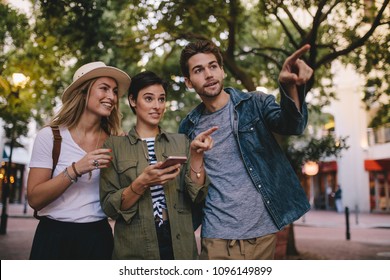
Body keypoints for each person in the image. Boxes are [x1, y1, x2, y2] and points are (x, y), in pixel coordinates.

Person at [178, 39, 314, 260]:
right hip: (216, 236)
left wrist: (289, 86)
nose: (209, 74)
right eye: (199, 70)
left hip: (262, 234)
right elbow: (192, 191)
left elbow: (293, 125)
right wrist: (195, 155)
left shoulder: (255, 104)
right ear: (188, 82)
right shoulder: (189, 126)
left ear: (222, 71)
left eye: (213, 66)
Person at [99, 70, 217, 260]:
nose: (157, 106)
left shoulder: (181, 142)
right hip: (135, 247)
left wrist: (196, 156)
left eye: (161, 99)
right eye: (148, 99)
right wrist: (142, 183)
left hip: (180, 245)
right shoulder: (115, 146)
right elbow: (109, 207)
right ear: (133, 101)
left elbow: (197, 195)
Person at [27, 61, 131, 259]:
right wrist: (75, 169)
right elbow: (34, 199)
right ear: (83, 92)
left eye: (115, 91)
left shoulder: (116, 142)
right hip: (53, 238)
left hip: (97, 238)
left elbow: (121, 196)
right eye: (104, 88)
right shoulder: (50, 136)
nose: (112, 97)